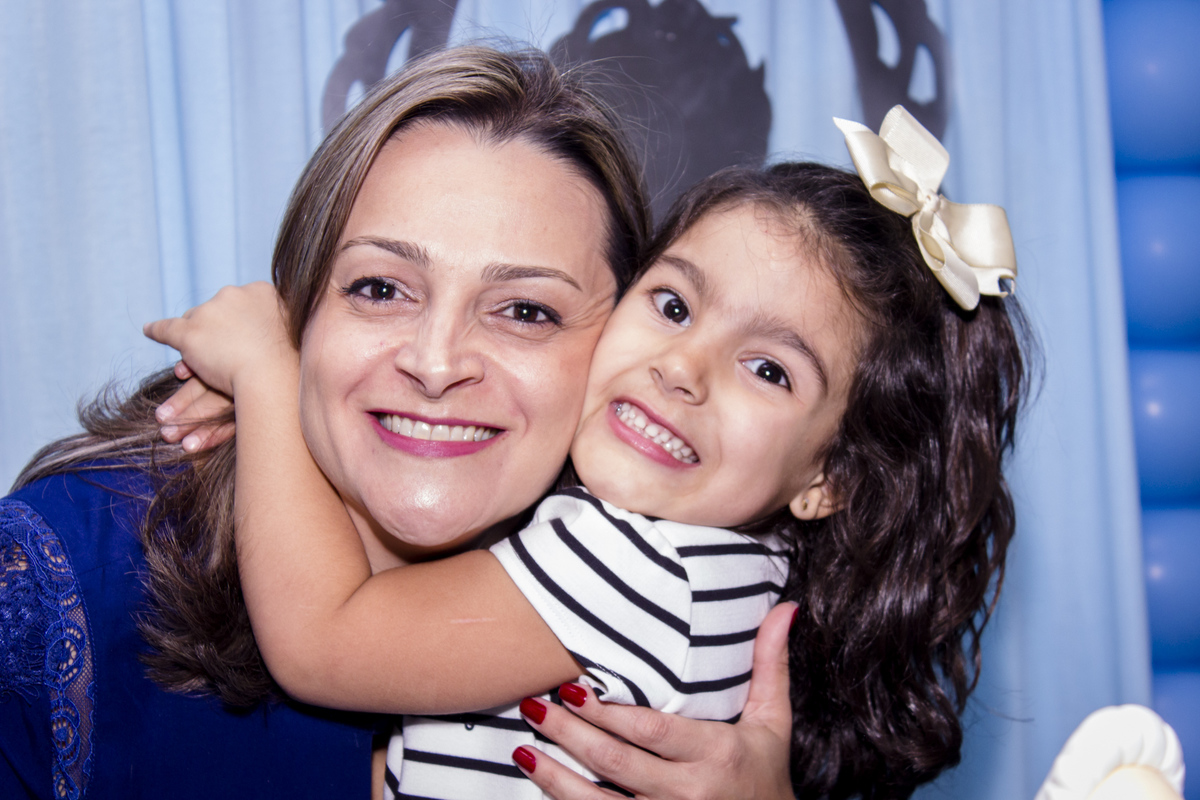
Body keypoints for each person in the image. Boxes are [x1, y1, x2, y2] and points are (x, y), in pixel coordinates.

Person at [150, 107, 1032, 799]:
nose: (681, 369)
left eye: (769, 370)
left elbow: (323, 642)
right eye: (674, 306)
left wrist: (270, 370)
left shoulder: (637, 563)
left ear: (830, 479)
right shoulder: (737, 564)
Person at [0, 45, 795, 800]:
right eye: (380, 289)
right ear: (298, 314)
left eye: (526, 310)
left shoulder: (707, 616)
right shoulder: (53, 584)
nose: (437, 363)